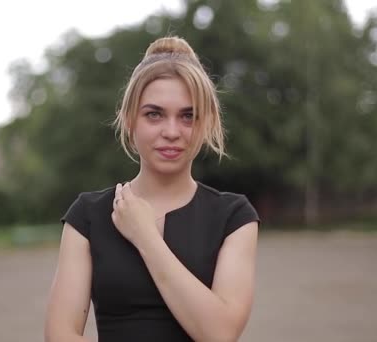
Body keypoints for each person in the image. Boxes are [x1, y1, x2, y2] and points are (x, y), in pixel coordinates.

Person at [44, 36, 260, 342]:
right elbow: (59, 335)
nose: (171, 132)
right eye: (154, 114)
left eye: (188, 116)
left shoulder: (234, 216)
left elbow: (220, 333)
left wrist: (146, 236)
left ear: (206, 123)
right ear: (130, 120)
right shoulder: (88, 215)